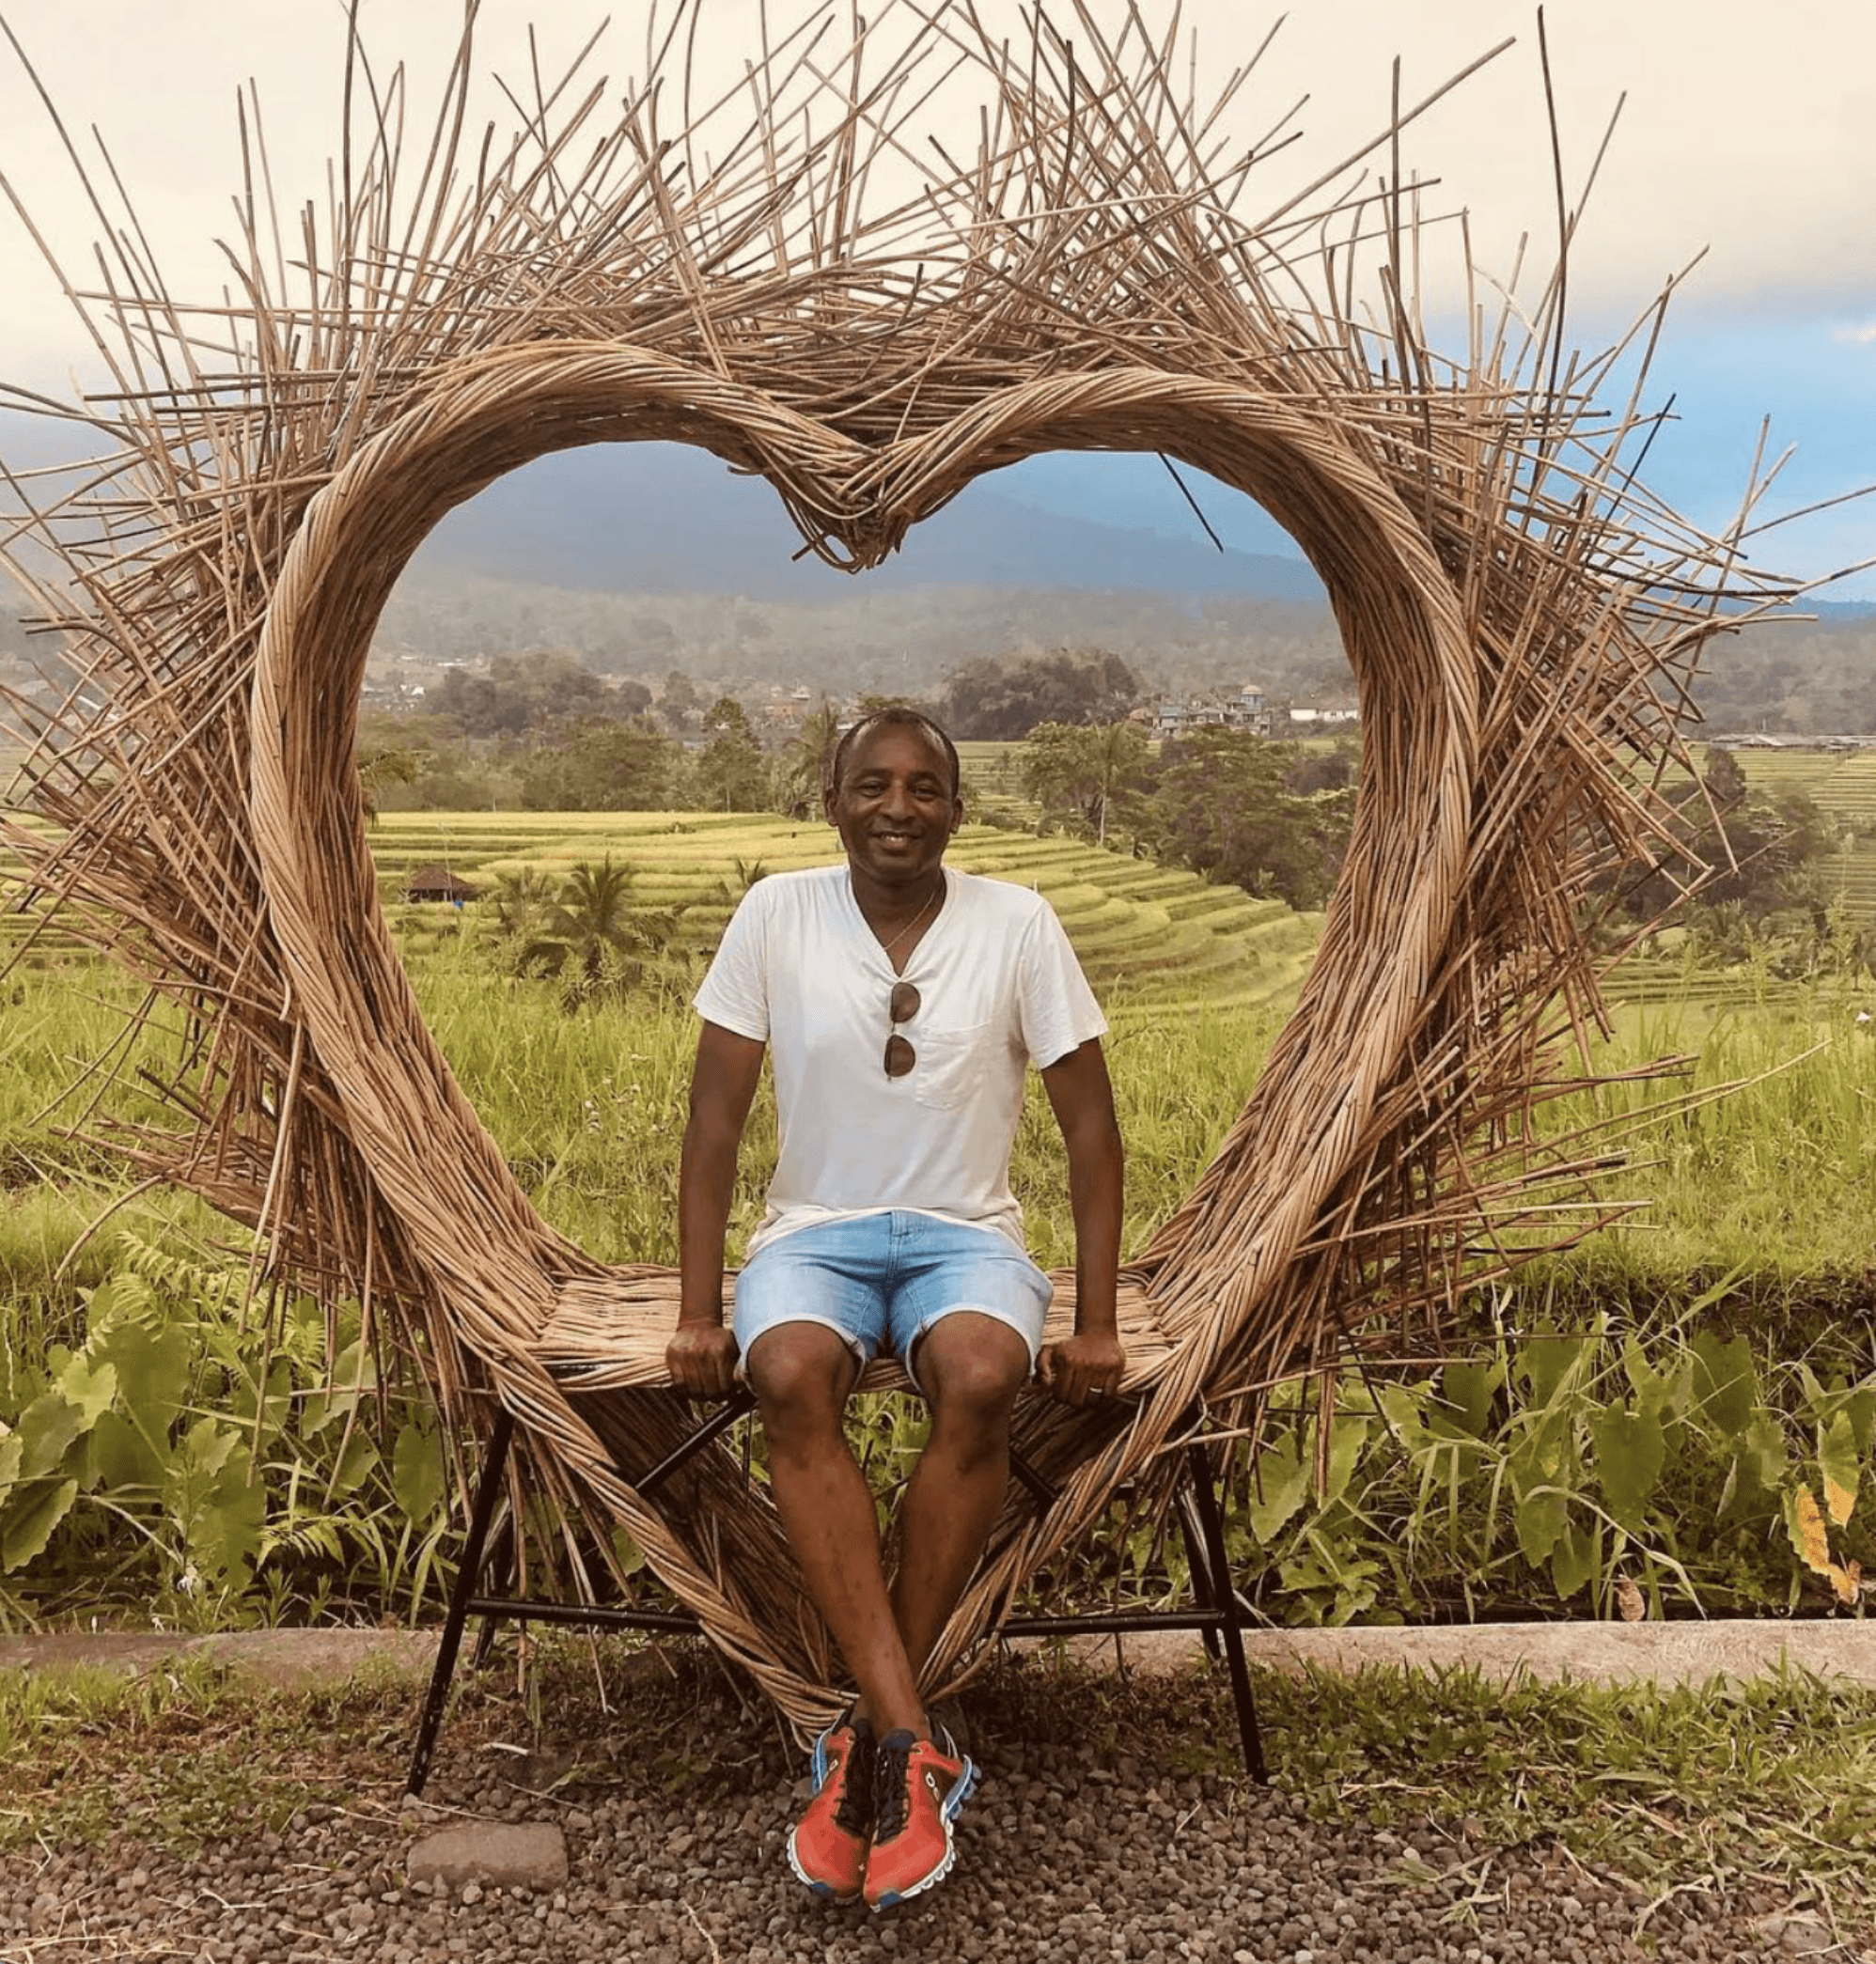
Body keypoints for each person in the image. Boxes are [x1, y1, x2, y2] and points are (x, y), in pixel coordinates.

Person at [666, 705, 1124, 1912]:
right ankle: (910, 1738)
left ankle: (868, 1737)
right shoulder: (775, 913)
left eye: (925, 787)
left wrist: (1095, 1320)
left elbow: (1091, 1131)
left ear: (957, 809)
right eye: (872, 784)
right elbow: (713, 1124)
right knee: (790, 1374)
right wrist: (702, 1309)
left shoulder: (1017, 923)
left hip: (964, 1236)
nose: (898, 808)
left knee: (981, 1375)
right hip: (810, 1233)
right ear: (834, 800)